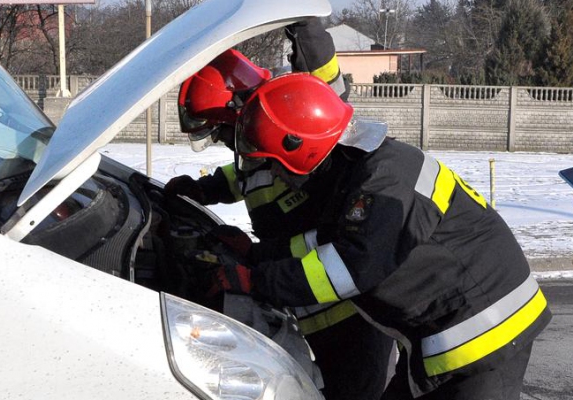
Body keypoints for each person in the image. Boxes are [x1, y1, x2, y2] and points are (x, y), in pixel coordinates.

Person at [211, 71, 551, 399]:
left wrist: (256, 281)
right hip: (444, 331)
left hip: (484, 332)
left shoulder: (381, 179)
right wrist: (257, 256)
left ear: (301, 147)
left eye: (274, 164)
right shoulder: (354, 170)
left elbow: (347, 268)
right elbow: (325, 242)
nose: (274, 176)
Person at [166, 19, 394, 400]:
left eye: (221, 131)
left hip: (352, 310)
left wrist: (305, 28)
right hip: (305, 299)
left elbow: (329, 85)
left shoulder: (298, 122)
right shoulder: (257, 152)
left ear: (238, 112)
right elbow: (246, 178)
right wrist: (201, 190)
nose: (225, 143)